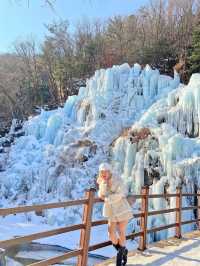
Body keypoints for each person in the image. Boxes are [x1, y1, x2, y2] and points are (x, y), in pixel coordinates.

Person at [97, 162, 133, 266]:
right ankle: (123, 250)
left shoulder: (117, 179)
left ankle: (119, 256)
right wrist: (102, 192)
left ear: (109, 171)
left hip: (122, 208)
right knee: (111, 233)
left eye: (105, 171)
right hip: (112, 211)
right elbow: (101, 193)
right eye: (101, 172)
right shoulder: (102, 181)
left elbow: (122, 193)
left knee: (121, 231)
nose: (103, 174)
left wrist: (108, 198)